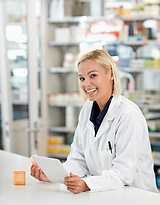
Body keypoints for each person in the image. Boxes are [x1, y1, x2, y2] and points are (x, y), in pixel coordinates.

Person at [31, 49, 158, 194]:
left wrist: (87, 184)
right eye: (82, 78)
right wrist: (54, 175)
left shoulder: (128, 115)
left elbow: (123, 174)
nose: (86, 84)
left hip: (137, 198)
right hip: (106, 196)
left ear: (110, 74)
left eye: (93, 76)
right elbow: (79, 160)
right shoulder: (87, 110)